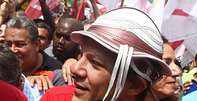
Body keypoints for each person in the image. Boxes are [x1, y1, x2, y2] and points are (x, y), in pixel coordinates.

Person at [40, 8, 171, 101]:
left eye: (95, 62)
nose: (75, 69)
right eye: (81, 55)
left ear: (134, 85)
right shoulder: (57, 98)